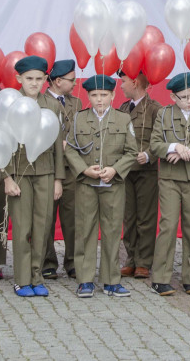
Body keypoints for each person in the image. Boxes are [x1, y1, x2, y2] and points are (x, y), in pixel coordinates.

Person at [64, 75, 137, 297]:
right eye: (94, 95)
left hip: (113, 185)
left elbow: (131, 152)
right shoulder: (79, 118)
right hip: (86, 184)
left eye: (104, 95)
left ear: (113, 95)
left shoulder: (123, 120)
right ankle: (85, 280)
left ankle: (111, 280)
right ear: (88, 96)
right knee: (85, 231)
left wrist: (115, 169)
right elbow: (70, 148)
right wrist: (83, 169)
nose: (99, 100)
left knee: (112, 231)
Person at [149, 72, 190, 296]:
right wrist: (174, 147)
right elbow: (155, 144)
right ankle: (160, 277)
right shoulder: (164, 114)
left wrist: (189, 152)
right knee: (168, 226)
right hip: (170, 178)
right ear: (173, 98)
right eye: (184, 97)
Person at [2, 55, 64, 297]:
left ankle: (37, 276)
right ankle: (21, 278)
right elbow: (1, 141)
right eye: (29, 78)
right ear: (19, 78)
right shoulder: (9, 102)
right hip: (19, 172)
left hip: (45, 171)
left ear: (46, 79)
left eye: (39, 79)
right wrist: (6, 176)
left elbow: (58, 144)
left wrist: (58, 178)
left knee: (43, 226)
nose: (34, 83)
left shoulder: (52, 106)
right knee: (22, 227)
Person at [117, 70, 162, 280]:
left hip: (146, 172)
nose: (121, 85)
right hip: (126, 171)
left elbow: (160, 137)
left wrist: (150, 155)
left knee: (146, 218)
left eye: (123, 81)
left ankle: (144, 262)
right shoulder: (123, 109)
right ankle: (131, 260)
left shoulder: (155, 110)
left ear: (134, 82)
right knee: (129, 217)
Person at [42, 59, 82, 279]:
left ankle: (73, 261)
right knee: (46, 217)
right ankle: (48, 262)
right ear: (57, 81)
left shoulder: (76, 103)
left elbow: (81, 132)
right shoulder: (40, 102)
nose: (75, 83)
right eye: (71, 80)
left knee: (73, 218)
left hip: (71, 169)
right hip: (48, 168)